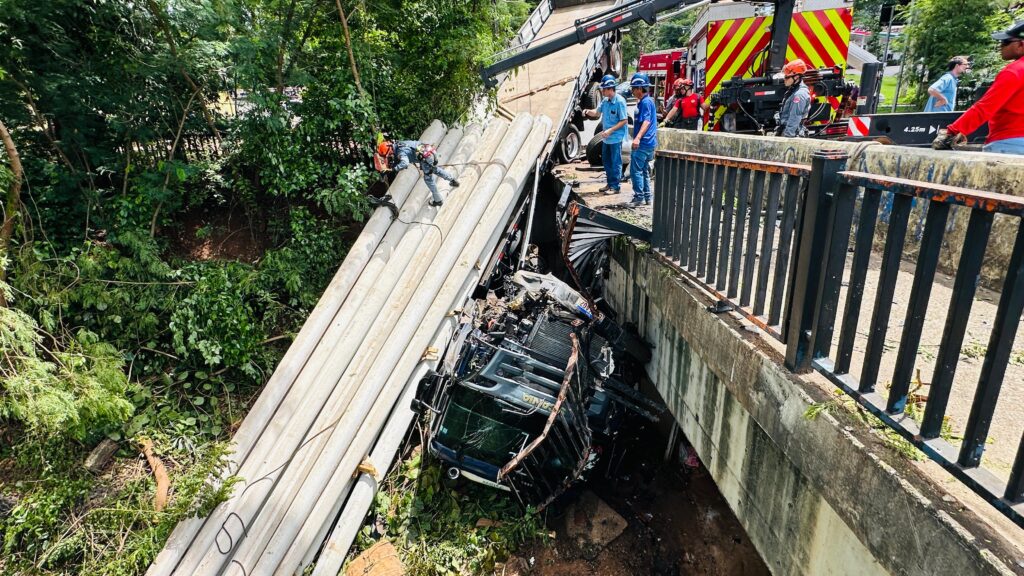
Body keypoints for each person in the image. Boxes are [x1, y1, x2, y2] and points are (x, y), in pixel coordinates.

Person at [933, 21, 1024, 155]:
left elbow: (985, 108)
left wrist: (952, 131)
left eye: (1005, 42)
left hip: (1010, 144)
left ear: (1021, 44)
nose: (1000, 46)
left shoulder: (1015, 71)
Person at [582, 74, 629, 194]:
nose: (602, 91)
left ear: (610, 89)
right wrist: (587, 111)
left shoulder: (620, 101)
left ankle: (616, 187)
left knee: (615, 162)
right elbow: (597, 113)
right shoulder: (605, 101)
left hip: (615, 138)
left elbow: (624, 120)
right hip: (606, 138)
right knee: (606, 161)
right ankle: (610, 183)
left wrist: (610, 130)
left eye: (604, 89)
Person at [376, 139, 459, 207]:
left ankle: (438, 200)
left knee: (428, 180)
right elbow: (402, 156)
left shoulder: (400, 152)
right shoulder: (400, 144)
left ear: (389, 151)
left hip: (425, 159)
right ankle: (453, 180)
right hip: (429, 152)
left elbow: (404, 163)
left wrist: (393, 169)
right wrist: (391, 166)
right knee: (436, 170)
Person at [628, 72, 658, 207]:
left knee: (636, 171)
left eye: (634, 88)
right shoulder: (646, 102)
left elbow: (646, 122)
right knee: (644, 170)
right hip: (650, 143)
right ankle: (647, 197)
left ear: (640, 88)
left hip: (643, 143)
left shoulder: (645, 102)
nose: (632, 91)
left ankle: (638, 197)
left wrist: (638, 138)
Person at [777, 59, 810, 137]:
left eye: (787, 77)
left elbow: (795, 118)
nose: (784, 79)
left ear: (796, 77)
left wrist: (787, 137)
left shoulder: (799, 95)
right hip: (785, 130)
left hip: (791, 134)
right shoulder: (793, 90)